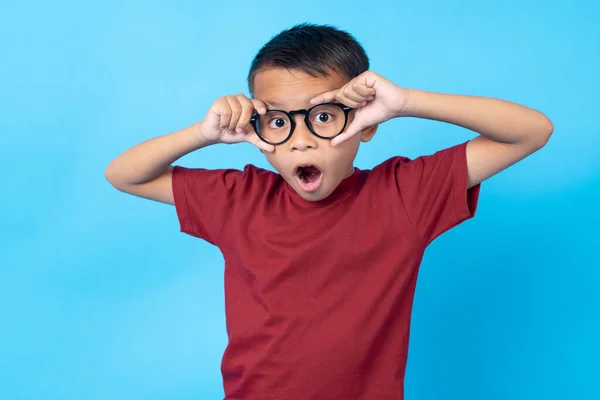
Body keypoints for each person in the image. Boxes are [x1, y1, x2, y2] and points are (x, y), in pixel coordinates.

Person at [105, 23, 553, 400]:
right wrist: (203, 134)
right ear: (257, 131)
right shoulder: (238, 199)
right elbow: (125, 174)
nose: (301, 141)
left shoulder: (403, 195)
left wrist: (407, 102)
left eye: (322, 117)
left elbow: (531, 131)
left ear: (365, 123)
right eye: (279, 122)